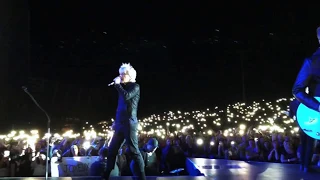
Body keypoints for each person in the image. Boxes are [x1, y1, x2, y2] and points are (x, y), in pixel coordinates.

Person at [104, 63, 146, 180]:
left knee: (133, 150)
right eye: (120, 74)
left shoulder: (135, 86)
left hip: (129, 123)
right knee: (112, 149)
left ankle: (142, 176)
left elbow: (127, 96)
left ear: (130, 75)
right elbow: (121, 106)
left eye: (123, 74)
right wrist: (116, 122)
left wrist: (117, 85)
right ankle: (106, 174)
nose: (121, 76)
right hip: (120, 123)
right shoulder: (122, 88)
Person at [292, 27, 320, 172]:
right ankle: (305, 166)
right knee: (308, 146)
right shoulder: (312, 62)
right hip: (316, 113)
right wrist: (317, 106)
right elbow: (297, 90)